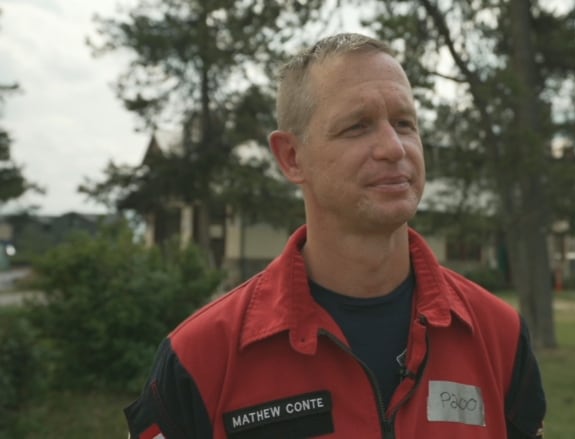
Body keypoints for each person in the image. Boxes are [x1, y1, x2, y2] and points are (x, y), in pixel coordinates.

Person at [124, 33, 546, 439]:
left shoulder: (499, 337)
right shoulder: (200, 359)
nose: (394, 148)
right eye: (357, 127)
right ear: (291, 158)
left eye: (404, 123)